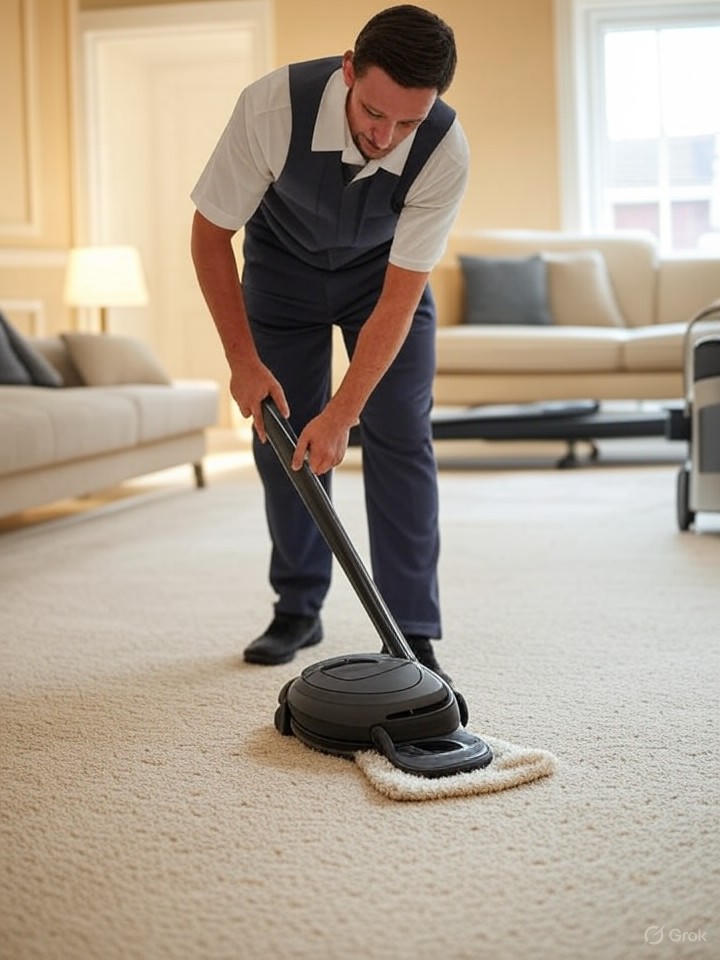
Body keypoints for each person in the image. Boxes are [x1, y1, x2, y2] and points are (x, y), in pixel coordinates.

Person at [190, 4, 467, 686]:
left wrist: (346, 412)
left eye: (408, 120)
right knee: (286, 440)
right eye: (376, 113)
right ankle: (298, 606)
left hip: (382, 283)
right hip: (282, 276)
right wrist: (242, 362)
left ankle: (411, 630)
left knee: (400, 430)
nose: (388, 134)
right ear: (350, 71)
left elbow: (401, 297)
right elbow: (208, 236)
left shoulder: (444, 149)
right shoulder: (271, 109)